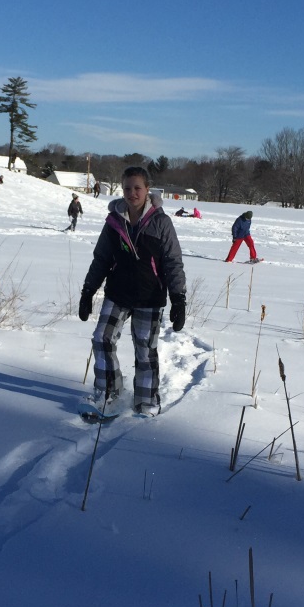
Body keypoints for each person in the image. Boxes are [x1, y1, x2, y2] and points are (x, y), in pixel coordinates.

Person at [79, 166, 186, 418]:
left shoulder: (161, 223)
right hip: (118, 293)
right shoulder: (114, 221)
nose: (132, 193)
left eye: (137, 188)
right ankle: (108, 394)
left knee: (145, 350)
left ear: (148, 189)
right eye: (127, 188)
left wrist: (178, 298)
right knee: (101, 339)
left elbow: (173, 262)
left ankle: (146, 404)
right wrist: (88, 290)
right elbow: (101, 258)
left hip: (149, 297)